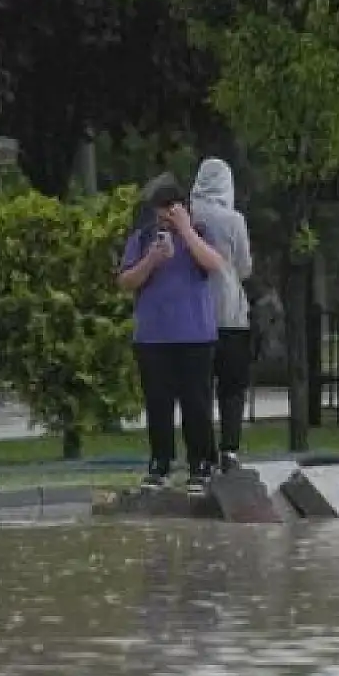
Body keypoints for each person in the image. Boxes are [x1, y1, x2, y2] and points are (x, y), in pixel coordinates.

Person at [118, 174, 224, 494]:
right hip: (153, 337)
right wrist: (151, 259)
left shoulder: (201, 233)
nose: (165, 215)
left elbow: (214, 264)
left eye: (171, 208)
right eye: (160, 210)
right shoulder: (143, 238)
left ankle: (201, 463)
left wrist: (187, 230)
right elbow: (125, 281)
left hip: (194, 335)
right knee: (159, 403)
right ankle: (160, 463)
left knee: (197, 403)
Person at [190, 158, 254, 473]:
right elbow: (244, 267)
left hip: (193, 316)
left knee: (199, 388)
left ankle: (202, 454)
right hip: (230, 313)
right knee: (232, 387)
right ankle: (229, 449)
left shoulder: (186, 216)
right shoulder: (234, 221)